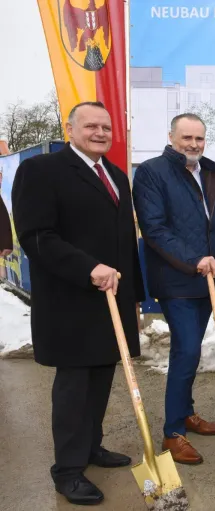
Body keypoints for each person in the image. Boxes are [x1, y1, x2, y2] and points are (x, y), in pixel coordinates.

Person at [11, 102, 145, 506]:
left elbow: (124, 244)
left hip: (110, 301)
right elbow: (36, 236)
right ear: (69, 129)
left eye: (106, 127)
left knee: (101, 379)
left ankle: (91, 447)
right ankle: (67, 470)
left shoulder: (117, 176)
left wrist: (132, 298)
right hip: (71, 301)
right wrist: (88, 268)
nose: (101, 132)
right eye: (91, 126)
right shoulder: (41, 171)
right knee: (73, 387)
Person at [132, 113, 215, 464]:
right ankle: (173, 433)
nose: (194, 144)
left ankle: (187, 413)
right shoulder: (152, 172)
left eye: (200, 139)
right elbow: (155, 229)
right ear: (172, 136)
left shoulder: (211, 171)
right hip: (178, 279)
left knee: (191, 350)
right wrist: (195, 260)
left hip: (208, 278)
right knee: (186, 351)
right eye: (187, 137)